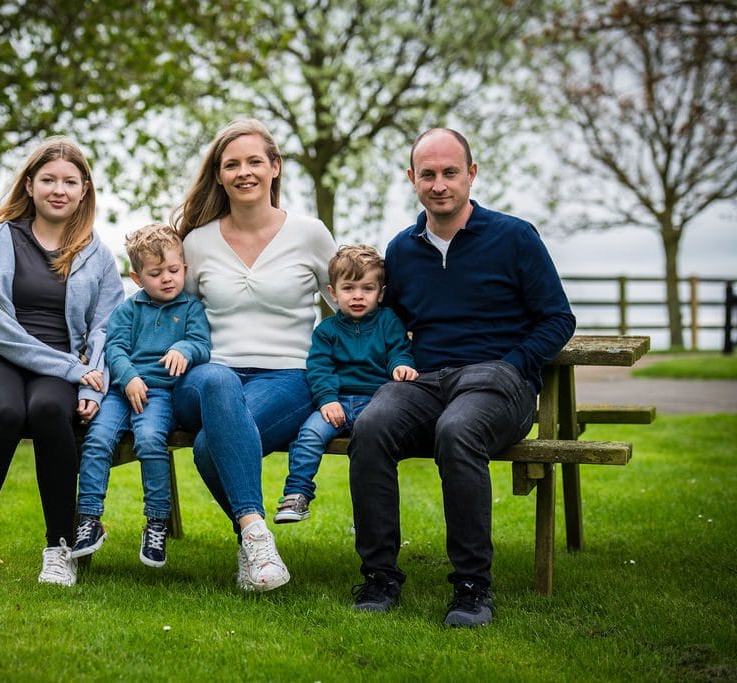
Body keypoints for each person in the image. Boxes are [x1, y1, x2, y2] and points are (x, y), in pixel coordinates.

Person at [348, 128, 576, 626]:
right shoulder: (402, 250)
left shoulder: (515, 237)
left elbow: (559, 318)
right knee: (369, 426)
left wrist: (516, 364)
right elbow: (391, 323)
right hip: (427, 380)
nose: (439, 184)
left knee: (458, 430)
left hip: (499, 381)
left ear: (471, 174)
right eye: (427, 174)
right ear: (411, 179)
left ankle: (472, 586)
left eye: (450, 172)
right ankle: (379, 577)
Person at [0, 136, 124, 587]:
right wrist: (74, 371)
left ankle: (59, 548)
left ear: (85, 189)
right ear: (29, 185)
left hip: (65, 370)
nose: (59, 189)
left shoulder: (99, 255)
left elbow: (105, 330)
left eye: (70, 181)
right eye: (48, 179)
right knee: (7, 414)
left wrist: (90, 386)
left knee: (51, 410)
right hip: (2, 361)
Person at [170, 118, 335, 591]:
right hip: (204, 377)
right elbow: (172, 317)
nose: (244, 172)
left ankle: (249, 540)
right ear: (219, 176)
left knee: (208, 447)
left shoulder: (309, 234)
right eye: (232, 164)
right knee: (218, 380)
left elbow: (350, 302)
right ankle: (259, 536)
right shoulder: (197, 243)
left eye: (254, 162)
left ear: (275, 168)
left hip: (288, 377)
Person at [71, 223, 211, 568]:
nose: (167, 278)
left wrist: (184, 348)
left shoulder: (191, 308)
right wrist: (129, 376)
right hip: (122, 392)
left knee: (150, 440)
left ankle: (156, 522)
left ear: (185, 270)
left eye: (174, 270)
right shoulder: (128, 310)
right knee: (98, 440)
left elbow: (202, 345)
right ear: (137, 278)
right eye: (156, 273)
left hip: (161, 395)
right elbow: (115, 348)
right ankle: (88, 519)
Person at [274, 245, 417, 524]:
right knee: (308, 435)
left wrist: (401, 365)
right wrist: (327, 399)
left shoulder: (388, 322)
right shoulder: (326, 331)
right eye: (349, 288)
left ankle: (369, 514)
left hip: (376, 404)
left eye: (367, 288)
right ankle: (297, 494)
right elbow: (319, 367)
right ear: (333, 293)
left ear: (381, 293)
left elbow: (399, 350)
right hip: (336, 403)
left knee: (371, 449)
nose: (358, 296)